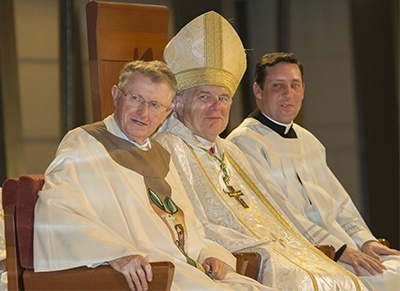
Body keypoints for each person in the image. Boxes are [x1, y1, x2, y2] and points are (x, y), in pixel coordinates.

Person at [155, 11, 367, 290]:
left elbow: (276, 211)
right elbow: (186, 222)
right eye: (204, 97)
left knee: (343, 279)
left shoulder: (229, 150)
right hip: (239, 257)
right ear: (179, 104)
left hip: (275, 248)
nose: (216, 107)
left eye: (223, 98)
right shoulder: (168, 147)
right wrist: (255, 244)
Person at [33, 60, 270, 291]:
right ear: (116, 95)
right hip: (145, 275)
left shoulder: (161, 154)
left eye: (155, 105)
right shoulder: (85, 143)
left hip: (184, 269)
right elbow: (57, 209)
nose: (143, 112)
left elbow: (187, 224)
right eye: (136, 98)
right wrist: (114, 254)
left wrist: (209, 255)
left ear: (168, 112)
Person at [227, 52, 400, 290]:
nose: (288, 94)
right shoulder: (245, 142)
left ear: (303, 90)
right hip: (305, 254)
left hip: (341, 247)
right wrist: (338, 250)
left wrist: (366, 241)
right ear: (258, 91)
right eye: (278, 86)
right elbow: (278, 212)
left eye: (294, 85)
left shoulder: (309, 141)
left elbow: (339, 204)